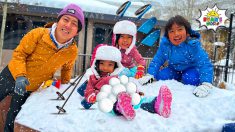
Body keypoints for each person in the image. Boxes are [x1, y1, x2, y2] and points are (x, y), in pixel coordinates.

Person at [0, 3, 84, 132]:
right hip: (10, 76)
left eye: (74, 23)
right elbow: (19, 54)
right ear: (58, 20)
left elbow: (66, 70)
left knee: (13, 121)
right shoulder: (38, 34)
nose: (68, 25)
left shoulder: (72, 51)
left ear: (77, 32)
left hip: (30, 87)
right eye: (65, 19)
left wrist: (65, 87)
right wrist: (20, 76)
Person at [138, 15, 214, 98]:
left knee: (190, 79)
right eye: (172, 31)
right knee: (162, 76)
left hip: (190, 68)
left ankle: (187, 78)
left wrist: (206, 83)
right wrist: (150, 74)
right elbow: (157, 60)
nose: (176, 34)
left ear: (187, 32)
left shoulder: (192, 45)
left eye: (180, 29)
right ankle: (178, 77)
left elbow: (204, 63)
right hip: (173, 69)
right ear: (168, 35)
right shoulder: (166, 45)